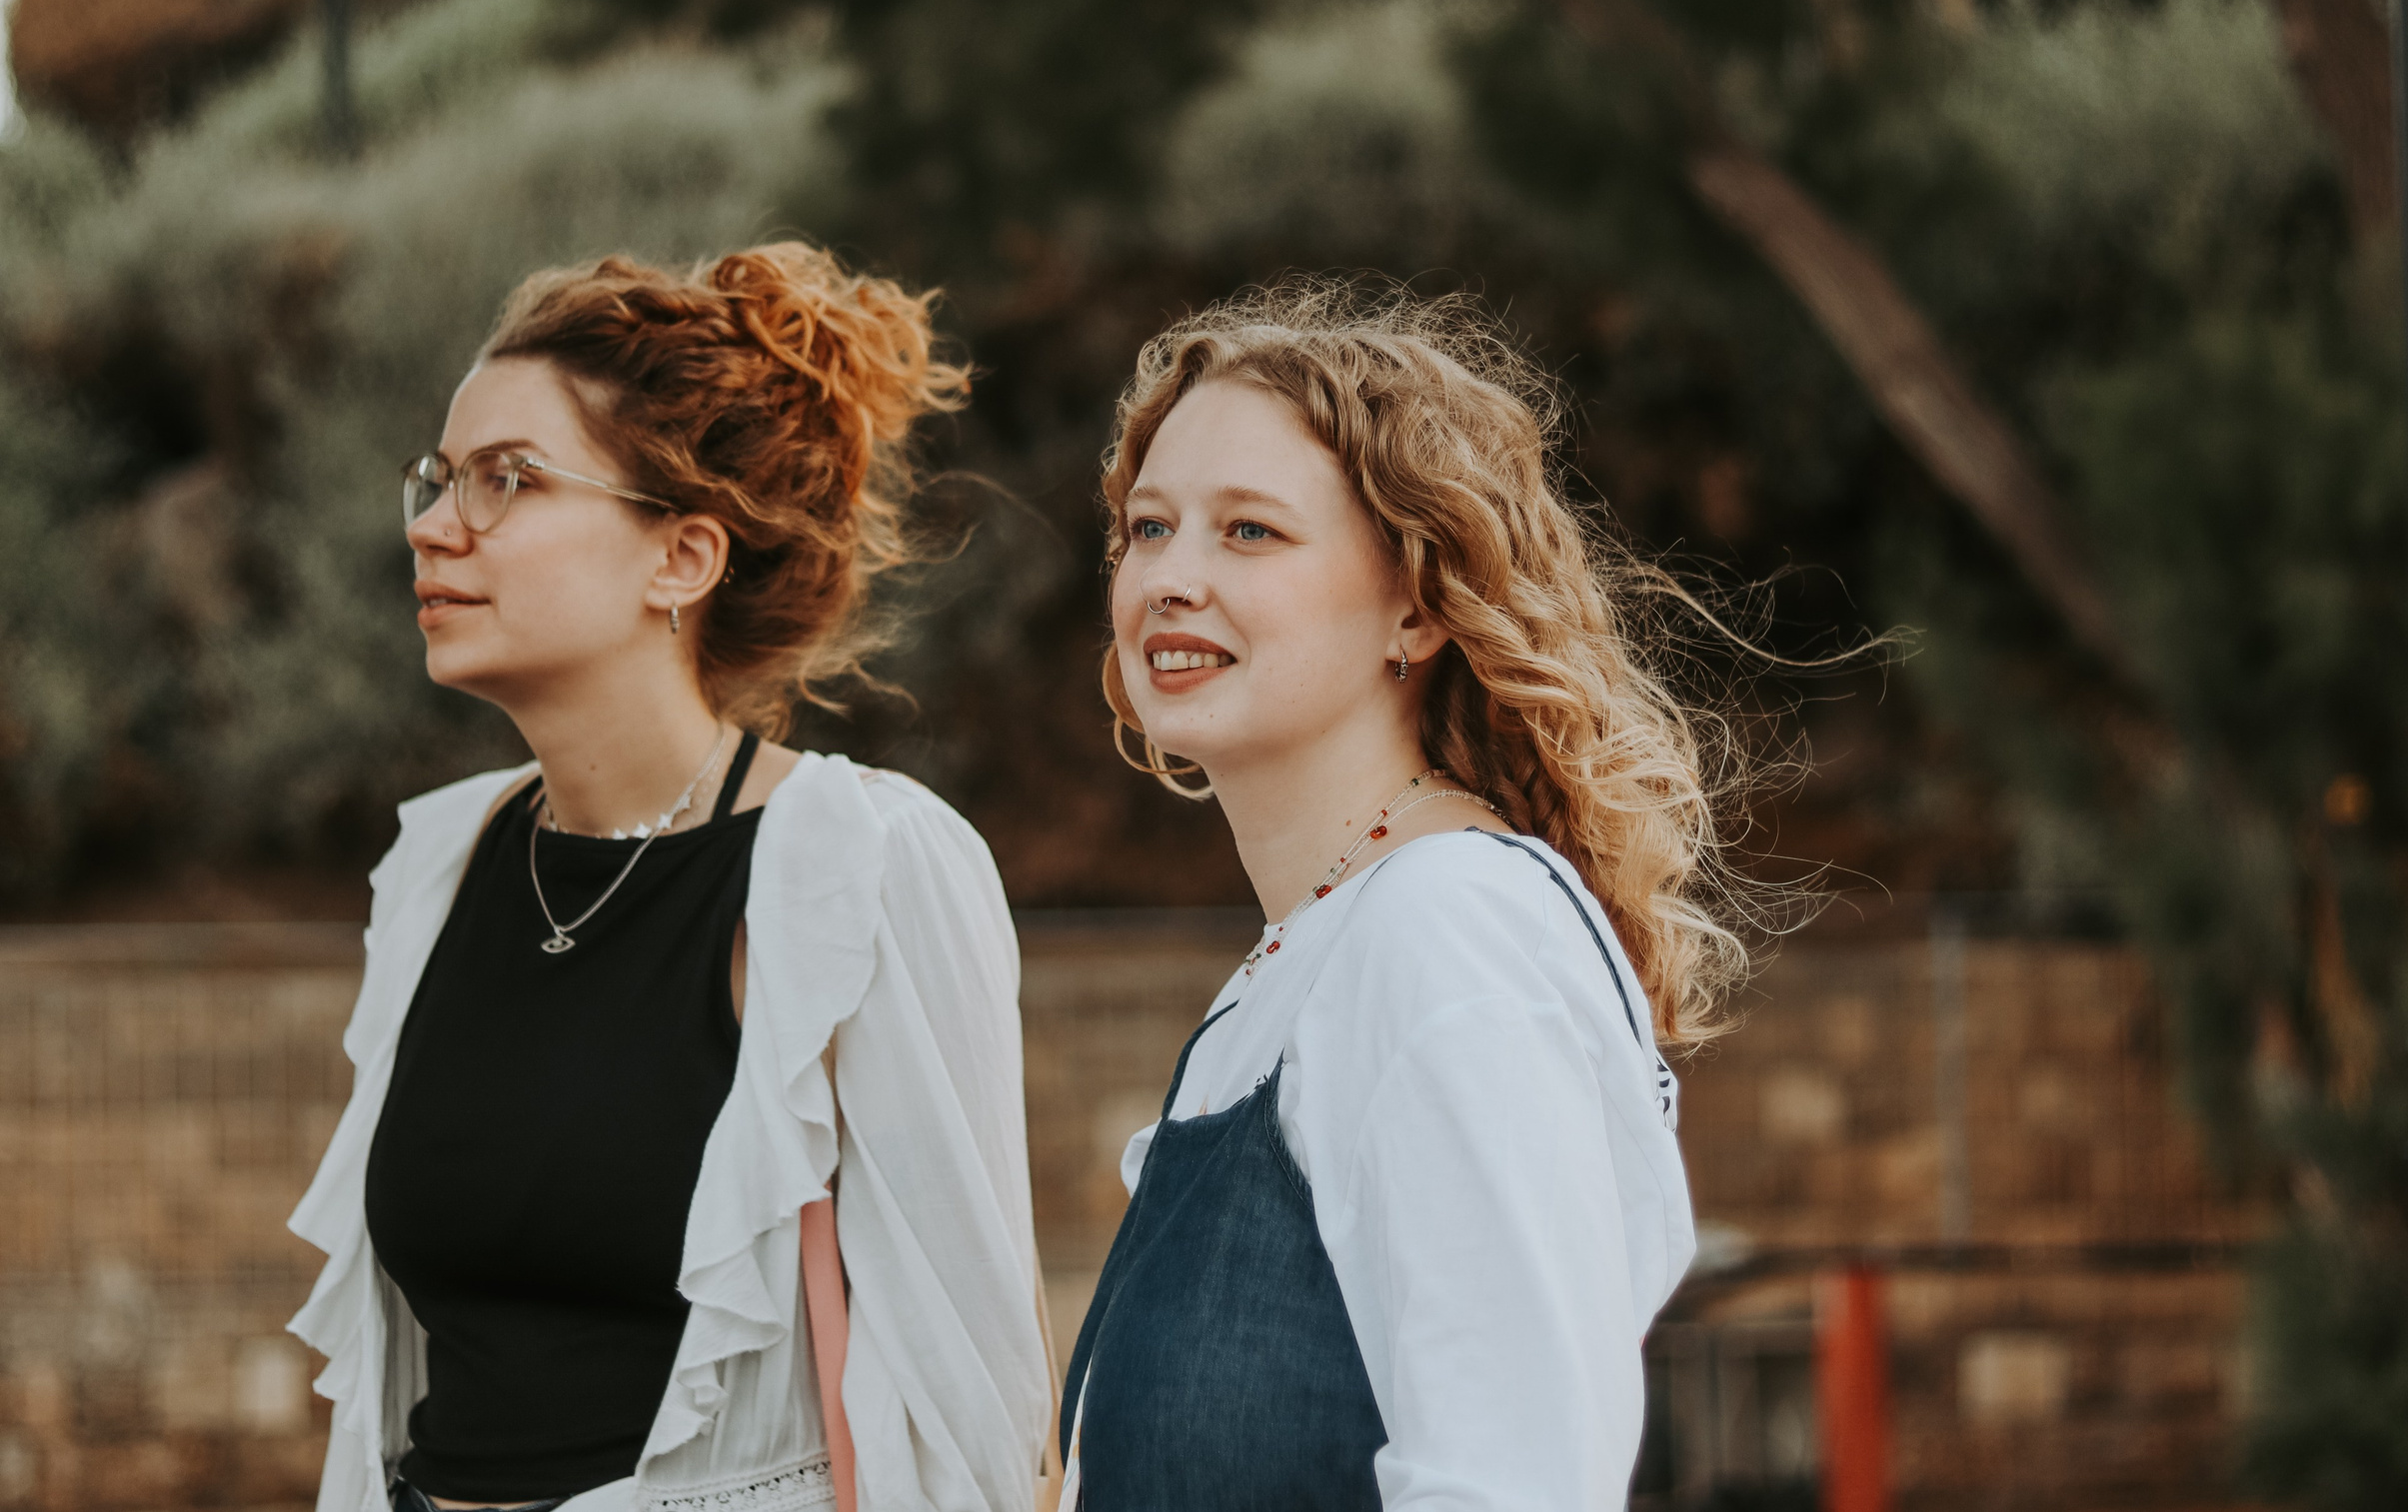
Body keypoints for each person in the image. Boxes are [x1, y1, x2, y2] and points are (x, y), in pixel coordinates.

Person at [287, 245, 1051, 1512]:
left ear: (682, 558)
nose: (432, 524)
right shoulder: (444, 860)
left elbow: (976, 1393)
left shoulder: (855, 862)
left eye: (506, 481)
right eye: (438, 479)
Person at [1060, 282, 1750, 1511]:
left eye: (1250, 531)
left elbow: (1511, 1481)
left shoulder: (1448, 928)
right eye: (1149, 527)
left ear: (1417, 603)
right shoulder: (1295, 964)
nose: (1168, 576)